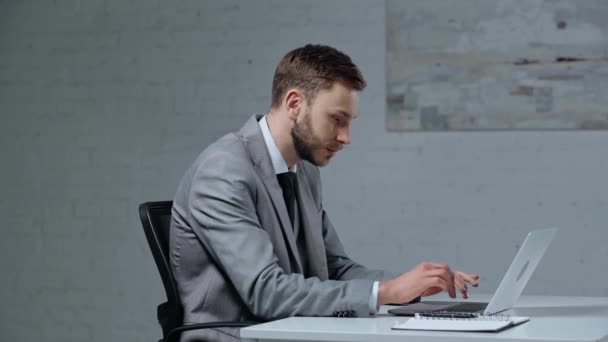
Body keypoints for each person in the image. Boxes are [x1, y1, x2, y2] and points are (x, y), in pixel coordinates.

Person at [169, 44, 479, 342]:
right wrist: (387, 293)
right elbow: (267, 292)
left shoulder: (304, 172)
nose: (346, 138)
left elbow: (335, 269)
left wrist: (411, 286)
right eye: (336, 119)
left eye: (349, 122)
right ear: (294, 104)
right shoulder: (223, 170)